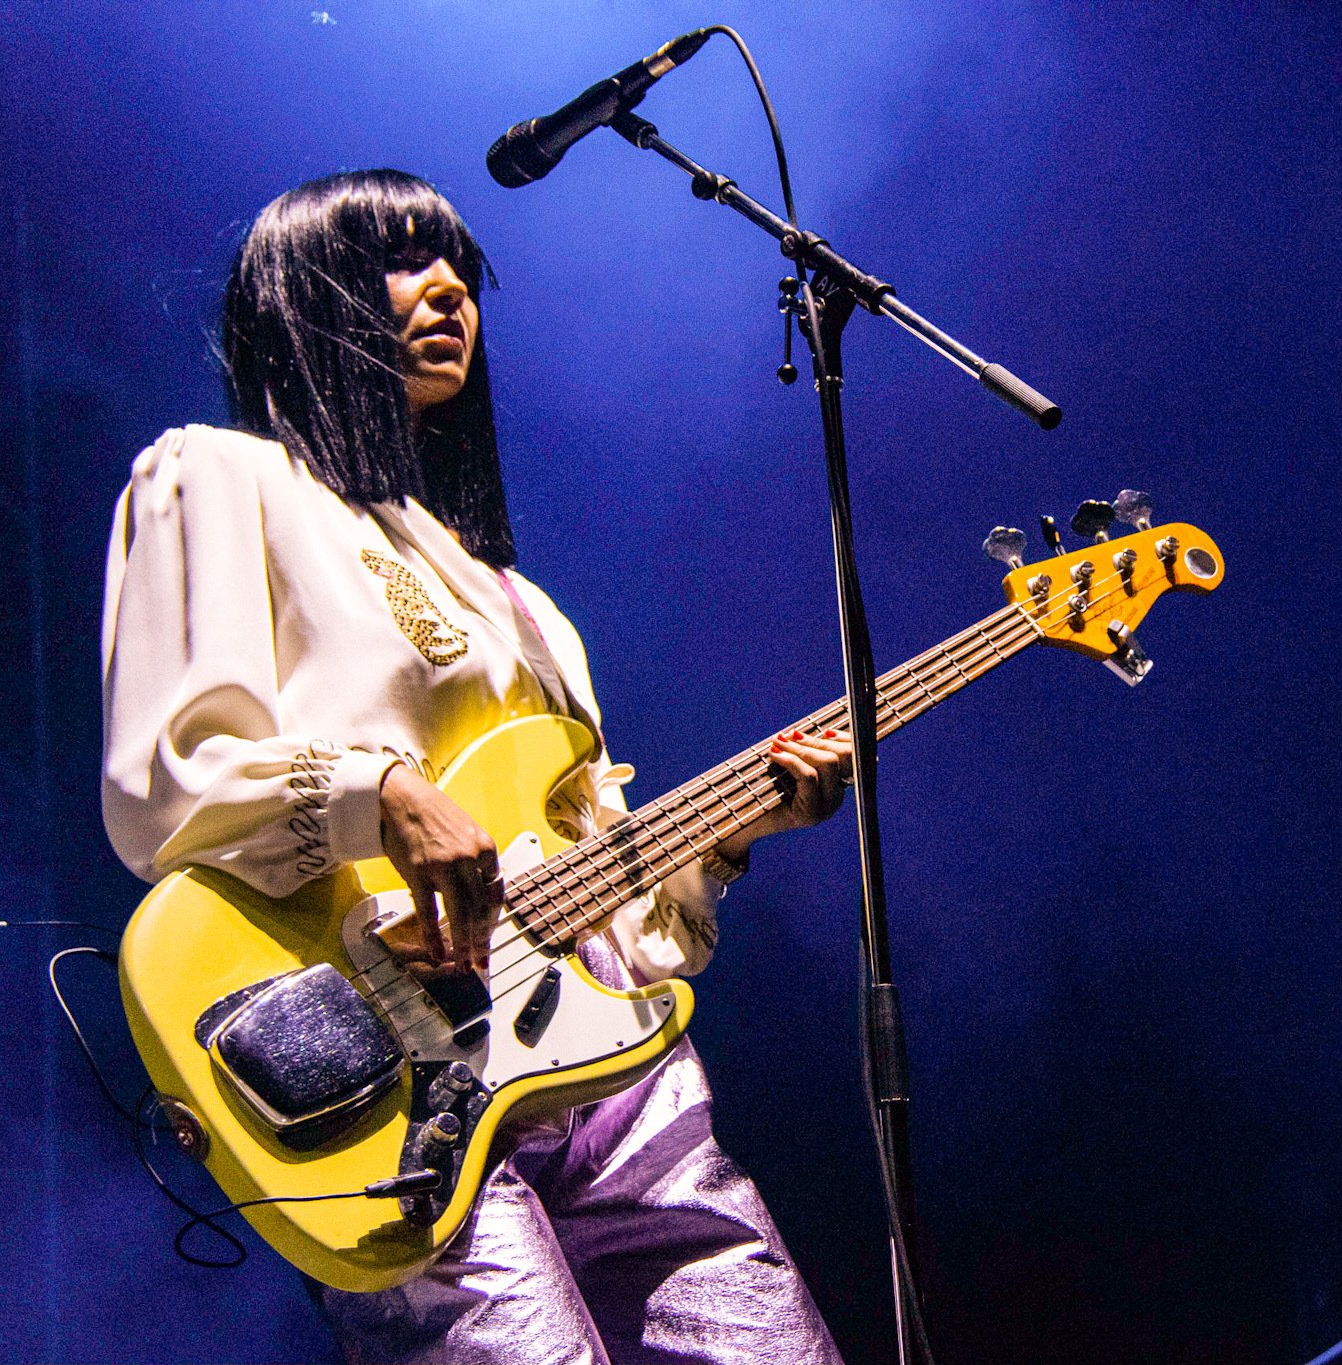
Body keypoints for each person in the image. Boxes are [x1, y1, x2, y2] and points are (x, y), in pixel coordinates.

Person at [101, 168, 850, 1365]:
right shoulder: (219, 478)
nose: (447, 284)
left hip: (608, 1067)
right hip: (396, 1058)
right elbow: (169, 781)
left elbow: (615, 911)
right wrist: (379, 794)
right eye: (401, 257)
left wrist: (726, 838)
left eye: (455, 263)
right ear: (308, 294)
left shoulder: (524, 606)